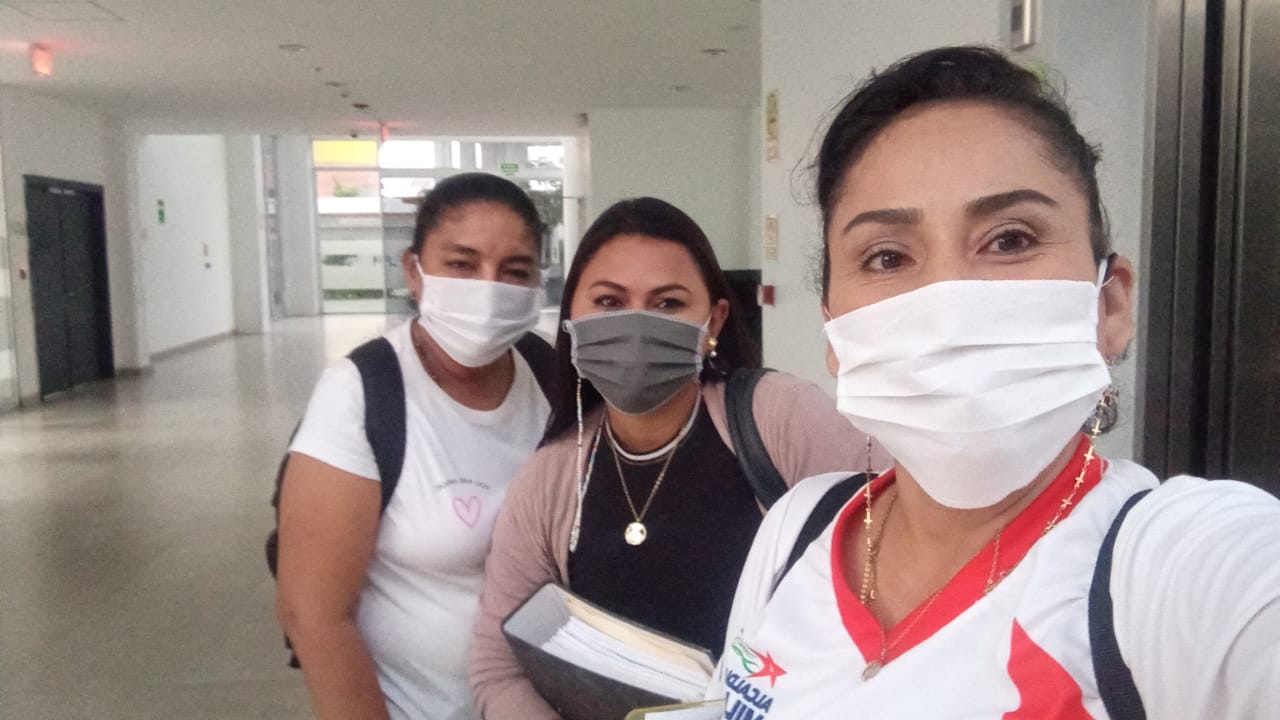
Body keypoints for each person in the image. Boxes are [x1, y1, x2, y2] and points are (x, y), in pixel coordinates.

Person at [712, 46, 1280, 719]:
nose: (947, 301)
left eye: (1010, 239)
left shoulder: (1189, 570)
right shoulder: (796, 527)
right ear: (836, 336)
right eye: (887, 257)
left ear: (1108, 305)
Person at [470, 197, 888, 719]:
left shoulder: (779, 418)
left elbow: (903, 537)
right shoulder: (550, 477)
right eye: (608, 301)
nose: (636, 326)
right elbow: (497, 664)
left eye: (668, 303)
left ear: (713, 321)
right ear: (570, 316)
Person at [276, 173, 553, 720]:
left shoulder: (550, 377)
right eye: (463, 264)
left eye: (514, 271)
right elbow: (313, 616)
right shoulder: (363, 393)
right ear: (413, 271)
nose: (488, 288)